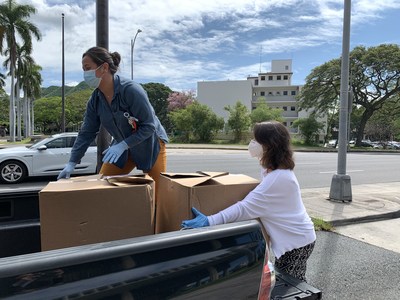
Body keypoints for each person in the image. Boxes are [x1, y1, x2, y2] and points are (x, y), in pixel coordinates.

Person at [181, 121, 316, 281]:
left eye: (256, 140)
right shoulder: (273, 170)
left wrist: (209, 221)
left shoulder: (278, 178)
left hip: (296, 242)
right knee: (291, 283)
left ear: (268, 145)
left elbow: (244, 208)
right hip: (296, 238)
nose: (251, 143)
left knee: (292, 285)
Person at [58, 46, 168, 188]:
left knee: (157, 192)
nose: (85, 74)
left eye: (87, 68)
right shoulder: (95, 100)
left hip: (150, 144)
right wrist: (72, 162)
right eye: (83, 69)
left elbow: (149, 126)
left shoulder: (131, 90)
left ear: (104, 67)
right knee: (105, 185)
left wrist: (123, 145)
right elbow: (87, 133)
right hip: (121, 147)